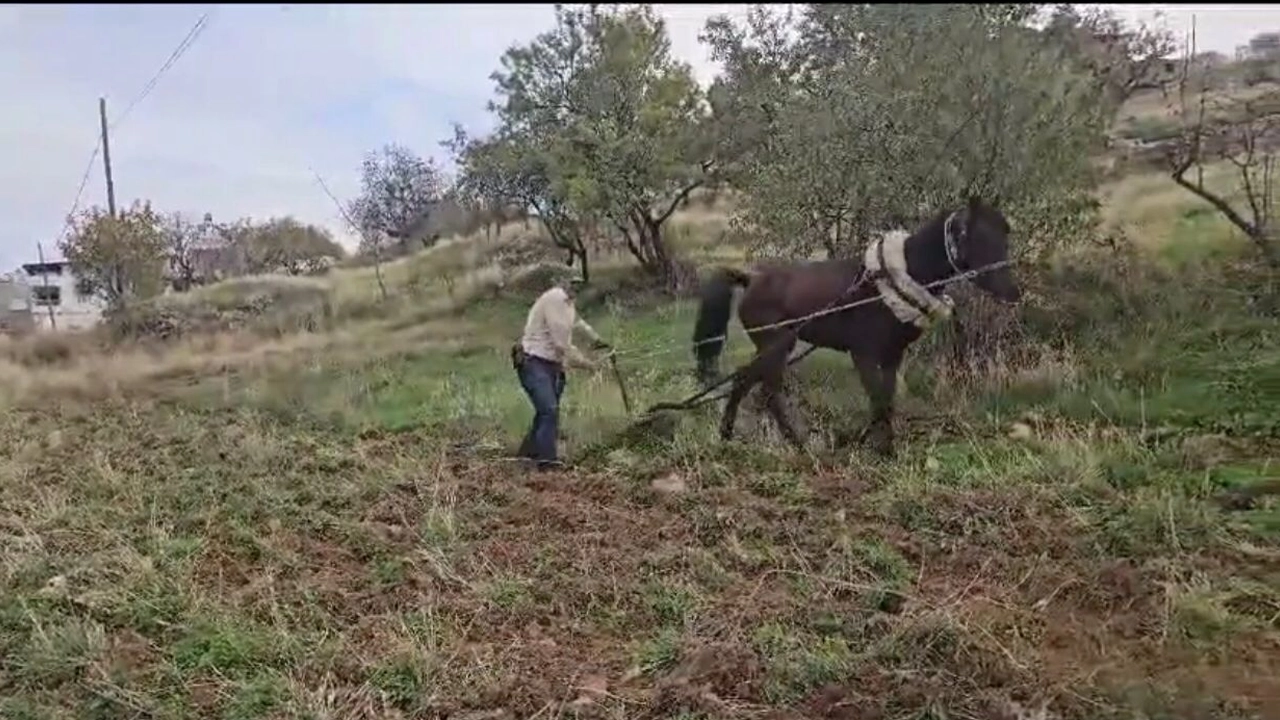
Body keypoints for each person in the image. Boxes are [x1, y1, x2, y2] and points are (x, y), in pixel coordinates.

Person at [512, 277, 611, 470]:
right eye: (575, 284)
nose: (578, 289)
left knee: (547, 412)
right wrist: (588, 364)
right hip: (533, 362)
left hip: (551, 365)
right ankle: (547, 463)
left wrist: (597, 340)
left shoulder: (567, 303)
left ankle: (528, 454)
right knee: (549, 410)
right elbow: (561, 343)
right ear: (565, 284)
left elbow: (578, 323)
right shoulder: (555, 299)